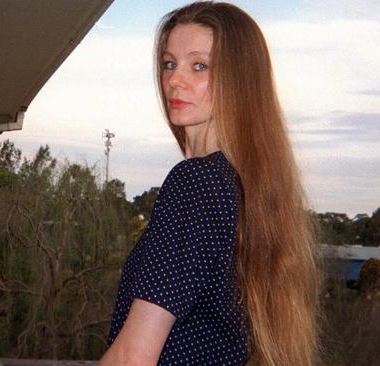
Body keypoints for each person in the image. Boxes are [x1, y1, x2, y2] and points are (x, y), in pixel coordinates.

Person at [99, 2, 321, 365]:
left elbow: (132, 356)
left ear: (239, 80)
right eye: (170, 63)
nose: (174, 79)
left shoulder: (197, 184)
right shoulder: (243, 187)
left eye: (199, 66)